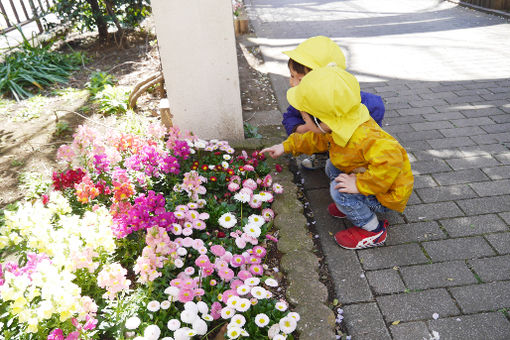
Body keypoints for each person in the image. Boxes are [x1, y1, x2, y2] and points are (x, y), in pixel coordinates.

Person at [262, 66, 413, 250]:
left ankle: (373, 229)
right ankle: (352, 204)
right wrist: (285, 146)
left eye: (305, 119)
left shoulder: (365, 138)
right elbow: (313, 138)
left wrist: (359, 185)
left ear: (320, 120)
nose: (305, 124)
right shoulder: (338, 122)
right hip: (372, 181)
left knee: (338, 190)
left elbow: (391, 163)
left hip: (386, 195)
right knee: (332, 166)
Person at [281, 36, 385, 170]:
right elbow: (289, 117)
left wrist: (333, 125)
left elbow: (375, 106)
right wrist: (305, 128)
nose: (293, 83)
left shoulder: (348, 98)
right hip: (322, 139)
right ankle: (322, 155)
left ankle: (356, 163)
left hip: (348, 146)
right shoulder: (303, 97)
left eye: (300, 80)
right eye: (291, 76)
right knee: (317, 137)